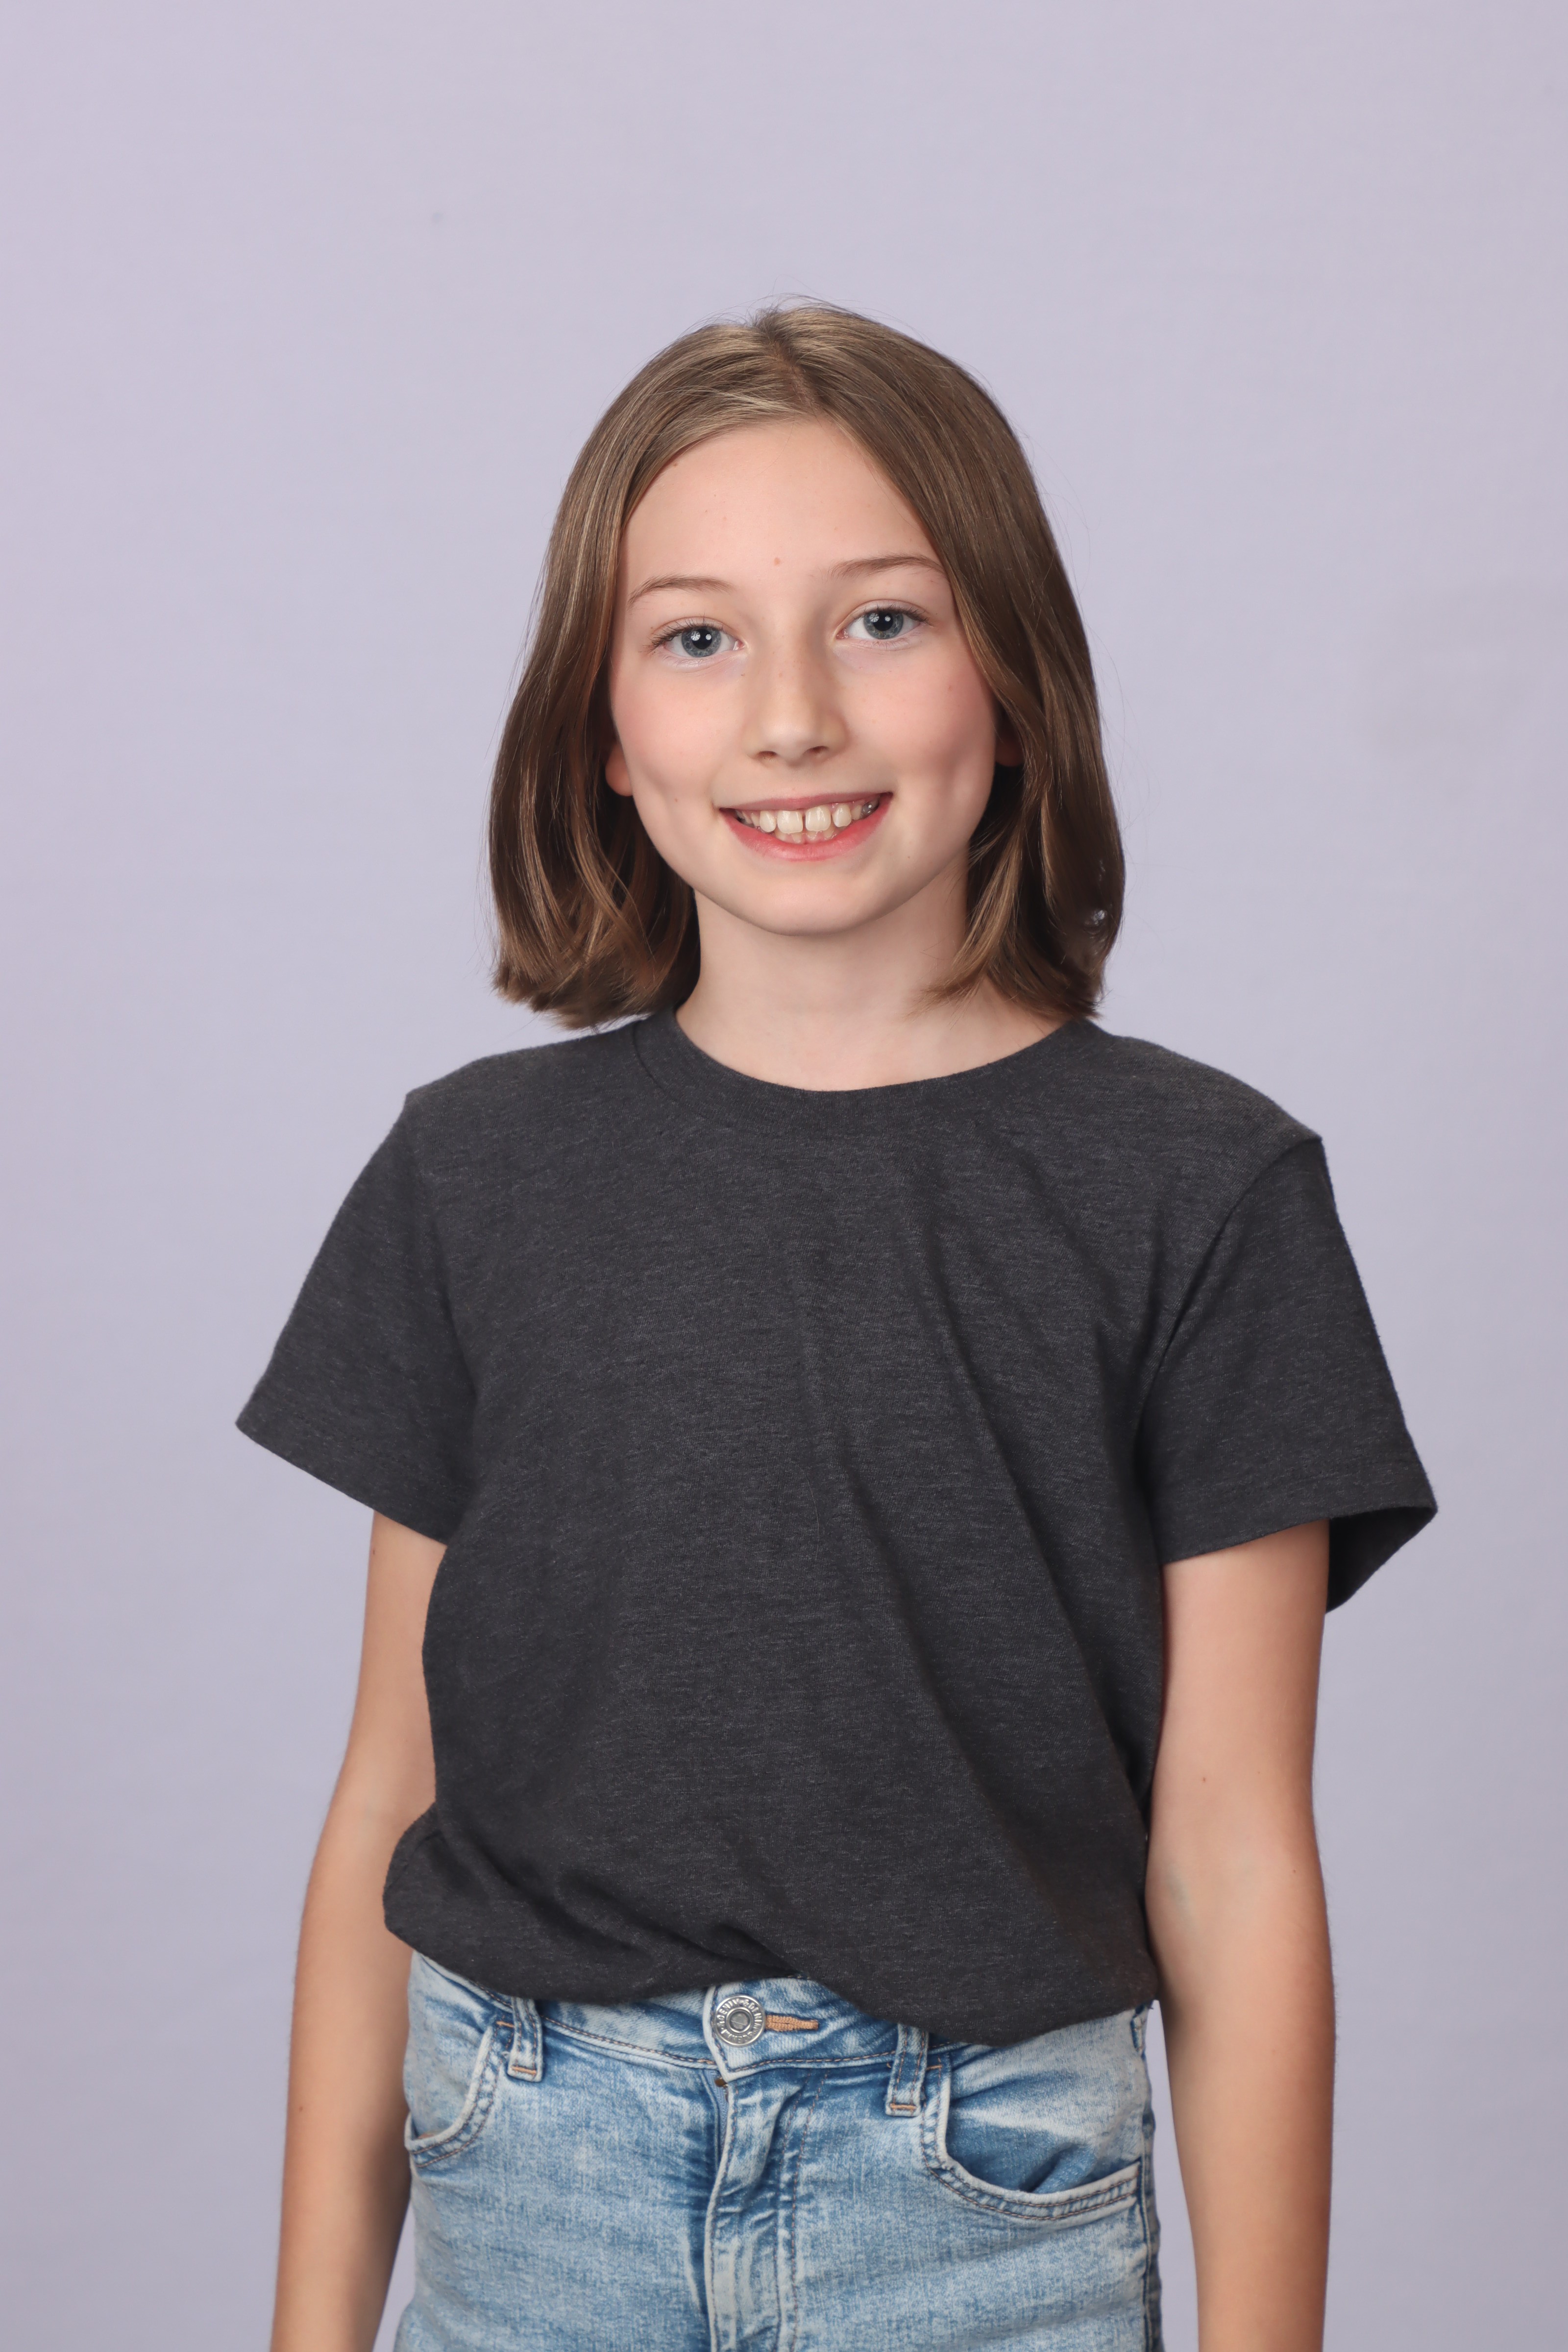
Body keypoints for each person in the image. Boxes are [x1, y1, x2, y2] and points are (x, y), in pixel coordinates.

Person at [240, 304, 1435, 2352]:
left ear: (1014, 682)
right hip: (532, 2187)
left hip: (985, 2213)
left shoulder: (1201, 1189)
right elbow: (387, 1792)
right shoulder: (472, 1173)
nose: (791, 717)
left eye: (883, 621)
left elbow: (1234, 1860)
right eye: (697, 637)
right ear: (602, 729)